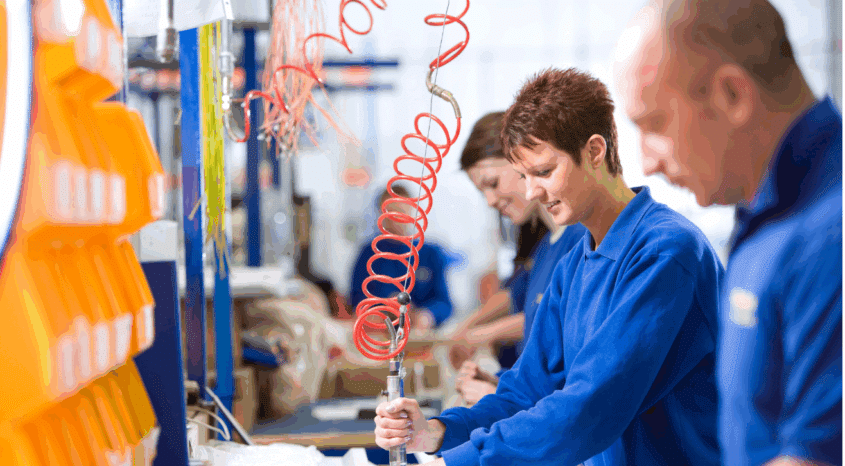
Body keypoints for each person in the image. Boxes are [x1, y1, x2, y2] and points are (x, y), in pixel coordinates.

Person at [373, 68, 724, 465]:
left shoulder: (664, 253)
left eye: (543, 172)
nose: (531, 192)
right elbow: (525, 392)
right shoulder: (575, 263)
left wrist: (466, 458)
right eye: (523, 176)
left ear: (594, 151)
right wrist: (437, 432)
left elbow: (590, 409)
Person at [617, 1, 842, 464]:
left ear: (733, 95)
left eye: (654, 125)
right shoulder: (763, 216)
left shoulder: (828, 235)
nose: (648, 163)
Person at [452, 111, 587, 406]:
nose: (490, 201)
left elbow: (572, 375)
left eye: (493, 183)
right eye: (482, 192)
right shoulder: (544, 252)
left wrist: (502, 392)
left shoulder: (581, 242)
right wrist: (502, 384)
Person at [349, 185, 456, 329]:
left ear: (411, 211)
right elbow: (356, 301)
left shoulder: (431, 253)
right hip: (381, 333)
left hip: (420, 336)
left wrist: (427, 315)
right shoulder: (368, 255)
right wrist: (381, 311)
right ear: (380, 214)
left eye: (401, 211)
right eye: (390, 212)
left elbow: (445, 304)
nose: (396, 218)